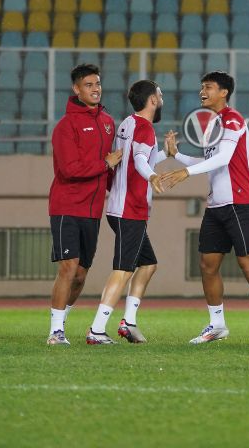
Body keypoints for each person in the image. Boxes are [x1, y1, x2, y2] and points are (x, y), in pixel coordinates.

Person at [159, 71, 249, 346]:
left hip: (240, 203)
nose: (202, 91)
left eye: (208, 87)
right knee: (207, 266)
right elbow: (209, 160)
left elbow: (224, 157)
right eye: (201, 86)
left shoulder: (233, 119)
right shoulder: (211, 126)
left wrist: (186, 172)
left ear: (223, 92)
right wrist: (177, 157)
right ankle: (217, 324)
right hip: (216, 205)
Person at [86, 80, 166, 345]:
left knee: (148, 264)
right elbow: (142, 162)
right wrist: (153, 175)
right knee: (123, 270)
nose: (162, 98)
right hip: (129, 210)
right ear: (152, 100)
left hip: (119, 208)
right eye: (160, 94)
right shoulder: (145, 127)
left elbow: (134, 159)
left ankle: (128, 322)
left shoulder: (128, 123)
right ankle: (97, 330)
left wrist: (165, 154)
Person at [47, 64, 121, 345]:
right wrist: (105, 163)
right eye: (88, 85)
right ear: (76, 89)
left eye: (98, 83)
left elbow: (110, 170)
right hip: (66, 206)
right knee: (68, 267)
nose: (95, 89)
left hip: (93, 210)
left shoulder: (108, 122)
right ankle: (55, 332)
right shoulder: (66, 126)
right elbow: (68, 169)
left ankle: (61, 321)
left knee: (80, 275)